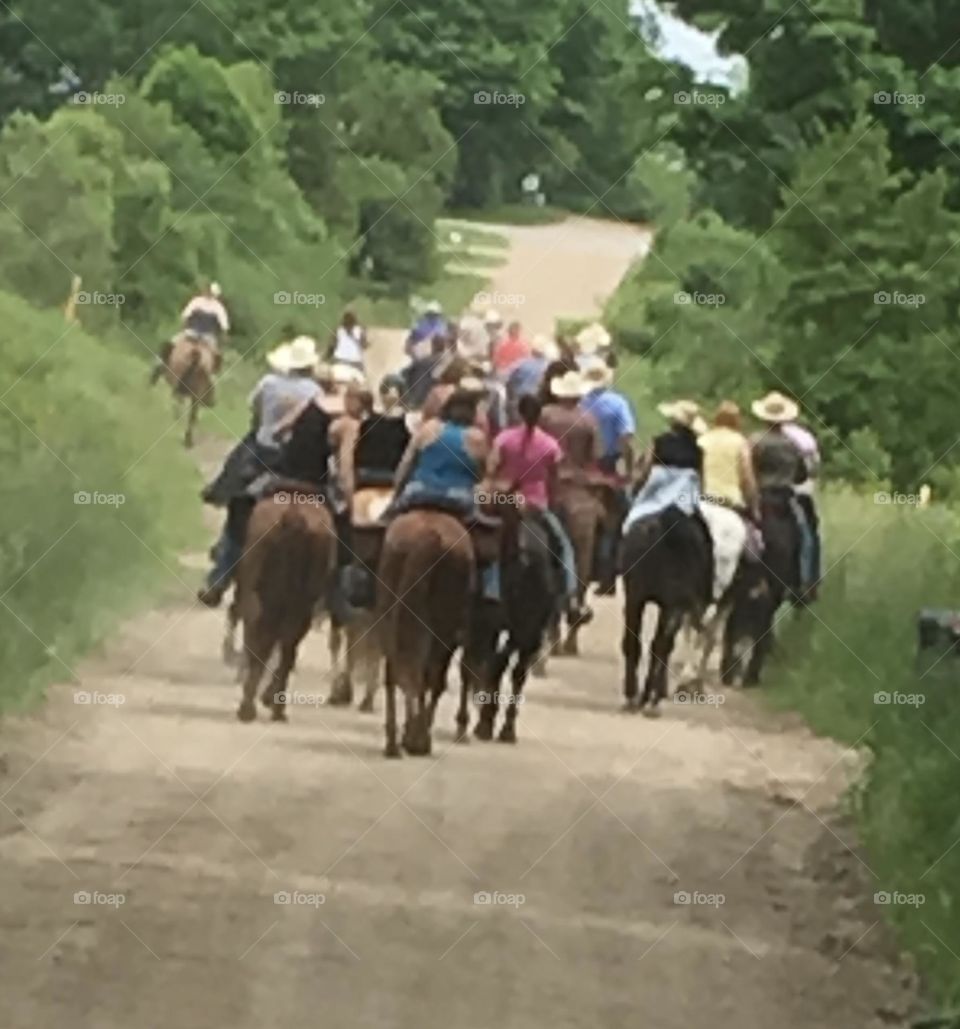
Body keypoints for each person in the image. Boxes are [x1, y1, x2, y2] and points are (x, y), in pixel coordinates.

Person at [197, 336, 322, 607]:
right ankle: (329, 587)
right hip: (296, 462)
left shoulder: (268, 383)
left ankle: (218, 580)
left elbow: (254, 415)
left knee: (238, 519)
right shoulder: (315, 391)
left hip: (261, 456)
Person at [487, 394, 592, 625]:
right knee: (564, 547)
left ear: (519, 413)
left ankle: (489, 589)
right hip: (536, 503)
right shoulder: (549, 445)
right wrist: (551, 502)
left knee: (488, 543)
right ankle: (572, 598)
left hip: (505, 501)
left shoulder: (504, 439)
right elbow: (553, 482)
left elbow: (492, 471)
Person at [750, 391, 819, 597]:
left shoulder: (754, 441)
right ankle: (801, 583)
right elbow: (802, 475)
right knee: (804, 535)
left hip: (760, 495)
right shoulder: (793, 446)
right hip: (784, 498)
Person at [392, 386, 489, 516]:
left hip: (419, 491)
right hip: (458, 497)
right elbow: (483, 476)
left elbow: (406, 465)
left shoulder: (429, 428)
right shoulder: (477, 438)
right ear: (473, 412)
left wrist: (396, 494)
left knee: (392, 520)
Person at [698, 401, 760, 517]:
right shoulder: (740, 442)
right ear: (737, 421)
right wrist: (754, 505)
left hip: (705, 498)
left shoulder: (702, 440)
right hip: (729, 500)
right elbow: (747, 475)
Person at [579, 356, 636, 477]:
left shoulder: (580, 402)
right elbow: (626, 436)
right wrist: (629, 470)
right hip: (609, 458)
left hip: (582, 459)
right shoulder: (618, 402)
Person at [505, 335, 558, 422]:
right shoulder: (549, 366)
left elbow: (507, 379)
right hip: (540, 402)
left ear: (532, 349)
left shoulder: (520, 364)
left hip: (521, 402)